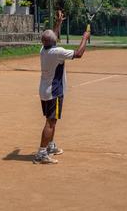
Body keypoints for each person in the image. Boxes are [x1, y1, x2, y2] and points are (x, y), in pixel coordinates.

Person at [33, 10, 90, 164]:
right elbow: (78, 54)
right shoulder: (57, 52)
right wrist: (84, 38)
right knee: (50, 122)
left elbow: (53, 37)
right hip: (54, 91)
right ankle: (42, 153)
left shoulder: (43, 50)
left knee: (52, 120)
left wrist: (58, 23)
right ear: (53, 41)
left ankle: (50, 146)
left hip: (44, 90)